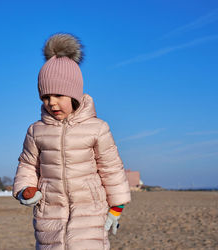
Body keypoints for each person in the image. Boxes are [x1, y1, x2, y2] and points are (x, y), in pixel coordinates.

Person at [13, 33, 131, 250]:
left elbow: (111, 168)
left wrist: (117, 207)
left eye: (59, 95)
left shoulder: (97, 128)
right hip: (50, 214)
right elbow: (28, 164)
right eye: (46, 97)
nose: (52, 103)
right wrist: (25, 188)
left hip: (90, 214)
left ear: (74, 96)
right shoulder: (36, 131)